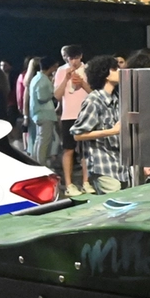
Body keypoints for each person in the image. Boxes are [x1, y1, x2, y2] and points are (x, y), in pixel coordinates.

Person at [71, 55, 129, 192]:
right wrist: (112, 131)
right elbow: (78, 134)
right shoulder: (93, 100)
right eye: (115, 69)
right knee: (116, 204)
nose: (119, 71)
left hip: (119, 163)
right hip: (102, 164)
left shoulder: (117, 98)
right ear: (105, 74)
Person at [54, 45, 92, 198]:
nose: (73, 61)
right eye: (70, 58)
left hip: (86, 114)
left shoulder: (88, 69)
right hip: (68, 115)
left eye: (76, 58)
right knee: (68, 149)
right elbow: (57, 95)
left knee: (86, 150)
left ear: (81, 56)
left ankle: (86, 182)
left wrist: (82, 83)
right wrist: (66, 79)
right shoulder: (61, 71)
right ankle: (69, 184)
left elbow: (94, 92)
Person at [29, 56, 60, 164]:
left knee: (39, 140)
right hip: (45, 114)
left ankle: (35, 162)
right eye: (55, 67)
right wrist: (52, 92)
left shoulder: (36, 78)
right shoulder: (43, 80)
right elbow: (42, 97)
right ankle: (40, 165)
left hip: (38, 114)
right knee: (44, 142)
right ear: (50, 67)